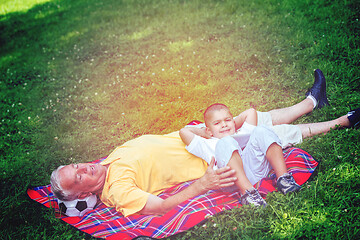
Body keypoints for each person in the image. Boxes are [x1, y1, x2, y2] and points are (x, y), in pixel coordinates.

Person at [51, 69, 360, 216]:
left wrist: (197, 131)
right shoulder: (116, 189)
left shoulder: (107, 161)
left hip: (198, 136)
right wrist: (202, 186)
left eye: (77, 166)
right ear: (86, 192)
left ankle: (311, 102)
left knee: (252, 116)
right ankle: (341, 120)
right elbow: (156, 207)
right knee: (266, 135)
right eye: (79, 178)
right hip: (214, 156)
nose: (84, 169)